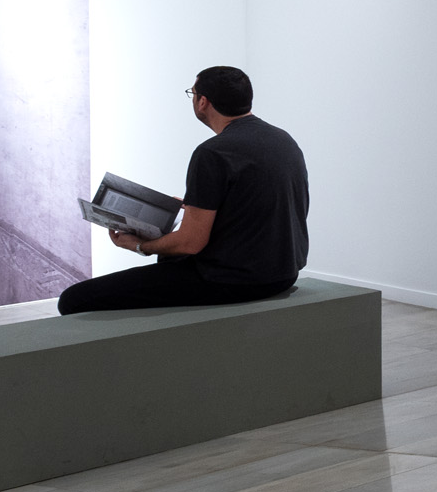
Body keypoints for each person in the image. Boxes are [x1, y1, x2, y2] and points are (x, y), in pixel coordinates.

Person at [56, 66, 311, 314]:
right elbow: (259, 204)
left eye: (193, 94)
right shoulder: (283, 140)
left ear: (203, 102)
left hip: (235, 281)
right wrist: (195, 208)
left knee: (73, 299)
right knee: (169, 260)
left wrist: (140, 246)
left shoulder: (212, 152)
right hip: (284, 273)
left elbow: (190, 243)